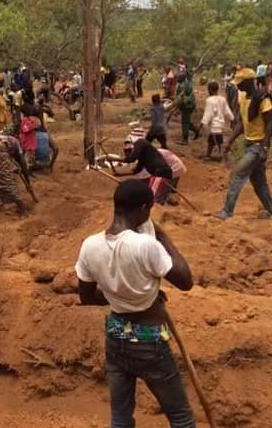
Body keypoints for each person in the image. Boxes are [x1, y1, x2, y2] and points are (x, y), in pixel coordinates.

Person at [75, 179, 195, 428]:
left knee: (120, 417)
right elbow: (185, 281)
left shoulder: (89, 245)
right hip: (149, 341)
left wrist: (120, 295)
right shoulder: (146, 245)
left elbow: (86, 297)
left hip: (116, 336)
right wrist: (163, 235)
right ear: (142, 209)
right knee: (181, 418)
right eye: (149, 209)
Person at [214, 68, 272, 220]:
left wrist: (265, 146)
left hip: (257, 145)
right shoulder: (243, 97)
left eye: (241, 83)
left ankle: (227, 211)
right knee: (258, 181)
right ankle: (271, 210)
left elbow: (269, 123)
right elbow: (243, 123)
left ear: (250, 82)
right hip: (248, 144)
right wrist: (230, 140)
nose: (238, 86)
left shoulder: (263, 98)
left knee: (237, 174)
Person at [0, 133, 32, 216]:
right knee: (8, 181)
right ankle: (23, 210)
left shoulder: (5, 139)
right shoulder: (16, 144)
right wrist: (28, 183)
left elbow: (9, 160)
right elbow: (23, 164)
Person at [116, 137, 174, 204]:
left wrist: (112, 159)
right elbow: (137, 170)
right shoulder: (144, 155)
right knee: (155, 198)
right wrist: (120, 174)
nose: (128, 155)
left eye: (129, 152)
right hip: (161, 174)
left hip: (160, 174)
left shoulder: (140, 142)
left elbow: (130, 159)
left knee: (154, 199)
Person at [198, 82, 234, 159]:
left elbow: (208, 114)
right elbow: (227, 111)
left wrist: (201, 125)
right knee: (215, 139)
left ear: (210, 90)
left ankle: (219, 155)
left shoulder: (209, 100)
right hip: (221, 125)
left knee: (214, 140)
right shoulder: (222, 99)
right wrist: (232, 119)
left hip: (214, 125)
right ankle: (211, 154)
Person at [175, 73, 199, 145]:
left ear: (182, 78)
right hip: (190, 105)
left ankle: (185, 140)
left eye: (178, 78)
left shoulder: (182, 86)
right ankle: (195, 130)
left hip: (187, 106)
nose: (177, 79)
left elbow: (180, 99)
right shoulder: (188, 83)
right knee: (186, 121)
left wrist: (176, 107)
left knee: (184, 123)